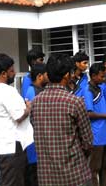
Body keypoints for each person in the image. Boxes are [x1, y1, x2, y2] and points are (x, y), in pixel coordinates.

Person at [31, 53, 92, 186]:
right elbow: (88, 142)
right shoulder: (75, 102)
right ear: (66, 75)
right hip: (75, 175)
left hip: (47, 177)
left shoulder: (35, 103)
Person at [0, 53, 33, 186]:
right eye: (11, 71)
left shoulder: (0, 90)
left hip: (9, 146)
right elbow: (19, 116)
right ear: (4, 73)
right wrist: (28, 108)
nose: (14, 73)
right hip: (12, 147)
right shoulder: (6, 90)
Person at [83, 62, 106, 186]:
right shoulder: (88, 91)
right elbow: (89, 113)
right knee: (94, 168)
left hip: (105, 135)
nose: (103, 79)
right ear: (93, 76)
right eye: (101, 76)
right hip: (95, 136)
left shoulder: (101, 88)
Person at [23, 62, 48, 186]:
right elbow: (36, 119)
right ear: (39, 76)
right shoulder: (32, 92)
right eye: (46, 74)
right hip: (34, 145)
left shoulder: (41, 90)